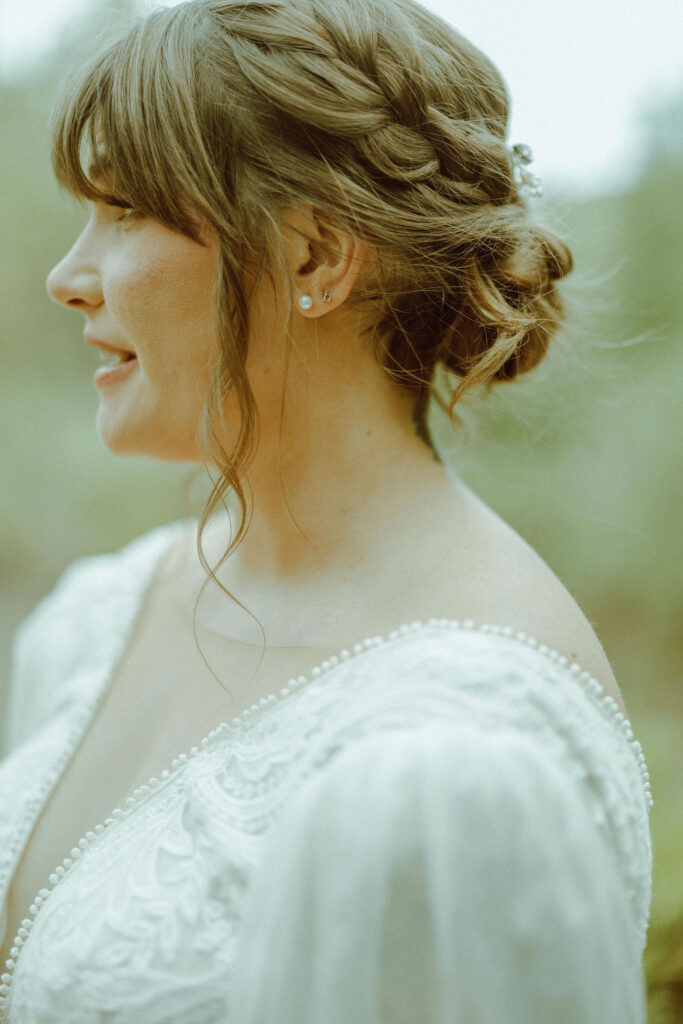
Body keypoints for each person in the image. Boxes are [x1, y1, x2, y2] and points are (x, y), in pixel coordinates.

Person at [0, 0, 653, 1021]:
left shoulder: (458, 760)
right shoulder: (99, 615)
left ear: (312, 258)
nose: (64, 276)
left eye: (123, 209)